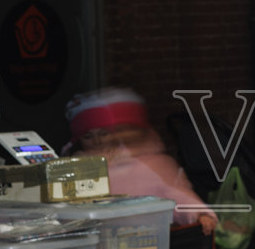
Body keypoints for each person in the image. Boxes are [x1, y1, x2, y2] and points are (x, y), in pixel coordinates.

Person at [64, 88, 218, 235]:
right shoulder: (75, 169)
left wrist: (200, 213)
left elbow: (174, 195)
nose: (97, 141)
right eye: (88, 136)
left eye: (103, 134)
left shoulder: (146, 164)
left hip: (146, 245)